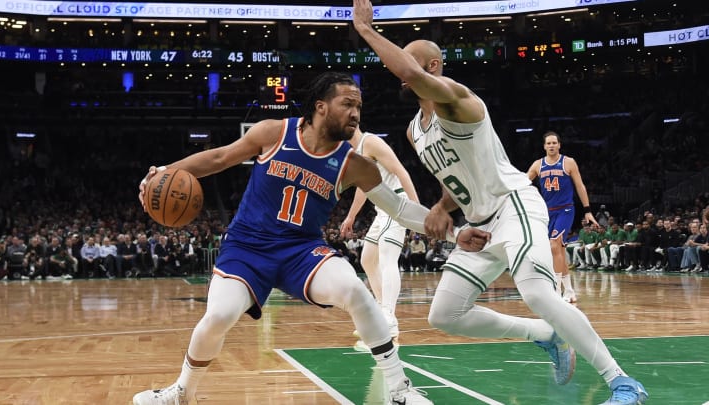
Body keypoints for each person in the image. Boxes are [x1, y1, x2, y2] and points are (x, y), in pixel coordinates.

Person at [352, 2, 648, 404]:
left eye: (411, 58)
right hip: (478, 224)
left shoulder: (459, 99)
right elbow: (457, 179)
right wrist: (442, 207)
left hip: (514, 205)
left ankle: (622, 382)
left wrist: (365, 30)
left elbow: (407, 71)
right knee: (444, 314)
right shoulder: (412, 131)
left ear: (433, 65)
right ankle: (545, 335)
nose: (402, 70)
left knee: (539, 294)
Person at [133, 72, 485, 405]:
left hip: (301, 250)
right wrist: (166, 172)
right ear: (320, 106)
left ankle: (399, 389)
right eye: (347, 104)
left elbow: (399, 208)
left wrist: (455, 233)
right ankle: (181, 392)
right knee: (219, 316)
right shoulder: (273, 133)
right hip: (248, 247)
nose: (355, 113)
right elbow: (219, 158)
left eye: (359, 106)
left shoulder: (354, 164)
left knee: (354, 288)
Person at [340, 127, 420, 351]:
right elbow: (363, 189)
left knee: (387, 259)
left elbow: (402, 172)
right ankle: (382, 314)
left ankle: (389, 323)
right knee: (367, 260)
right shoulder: (357, 151)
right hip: (382, 209)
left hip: (396, 204)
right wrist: (351, 216)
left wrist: (417, 209)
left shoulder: (372, 142)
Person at [527, 131, 598, 303]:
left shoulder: (568, 162)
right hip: (547, 212)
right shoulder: (538, 165)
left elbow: (580, 186)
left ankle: (556, 290)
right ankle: (570, 291)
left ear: (559, 145)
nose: (551, 145)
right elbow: (523, 183)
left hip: (565, 210)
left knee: (554, 245)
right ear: (544, 146)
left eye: (554, 143)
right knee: (559, 250)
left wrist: (587, 210)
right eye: (548, 143)